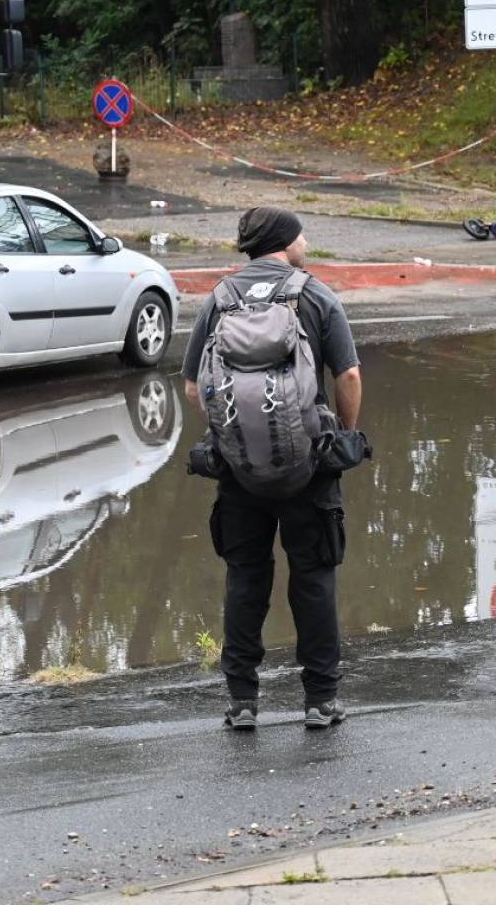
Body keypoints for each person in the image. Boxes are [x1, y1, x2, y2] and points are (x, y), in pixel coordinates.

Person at [183, 207, 362, 730]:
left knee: (245, 578)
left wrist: (233, 437)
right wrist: (342, 437)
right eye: (300, 233)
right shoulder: (315, 294)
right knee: (313, 578)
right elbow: (347, 375)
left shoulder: (220, 299)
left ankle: (242, 702)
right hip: (310, 466)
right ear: (285, 242)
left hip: (239, 472)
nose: (306, 240)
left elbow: (195, 386)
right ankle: (320, 701)